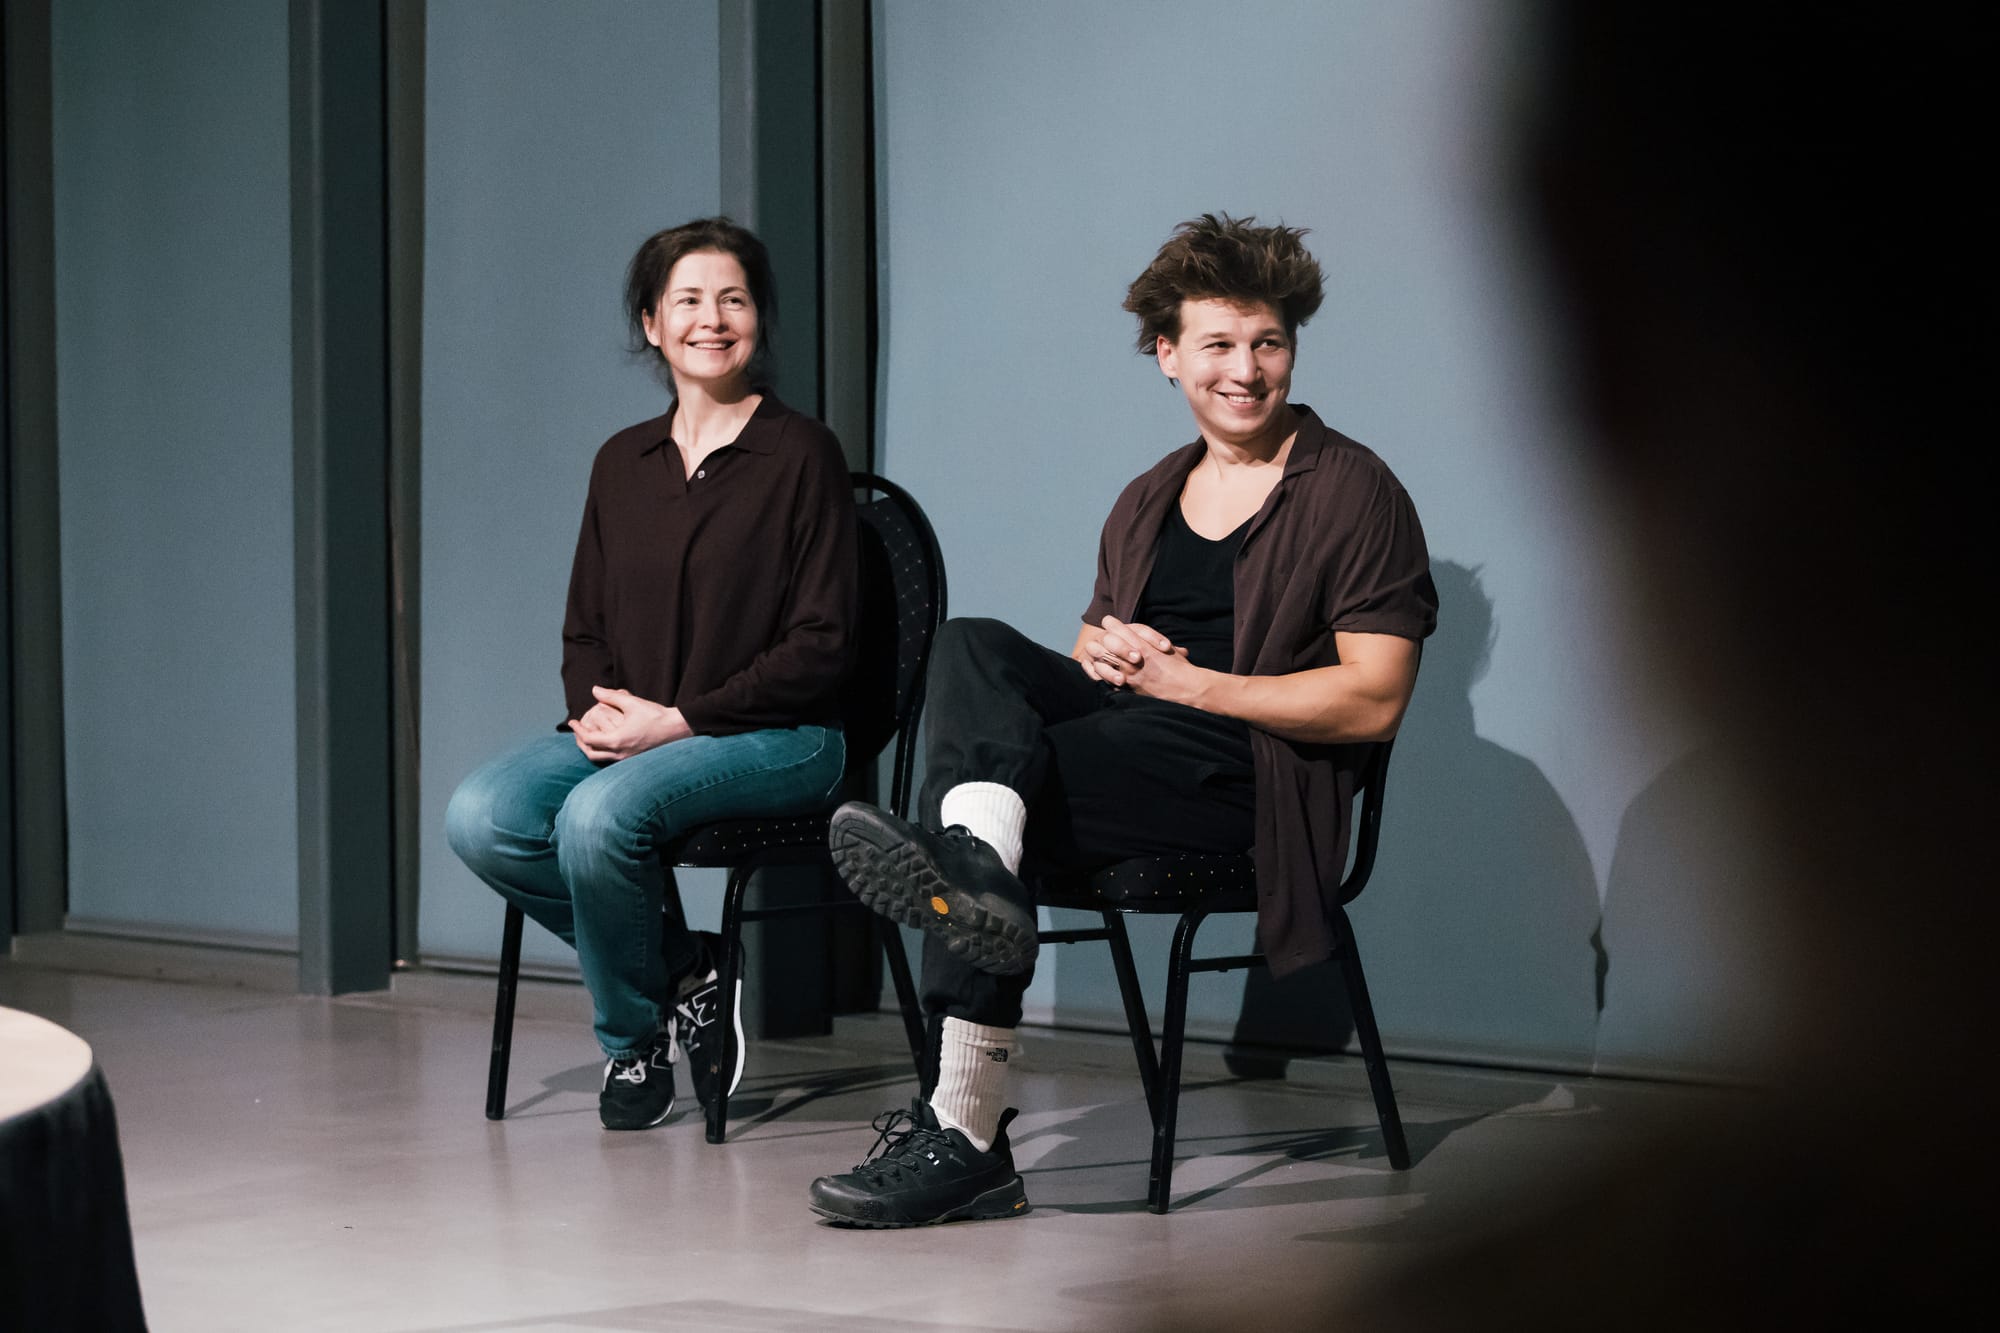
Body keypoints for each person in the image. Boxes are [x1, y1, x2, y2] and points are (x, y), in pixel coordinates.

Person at [807, 214, 1438, 1226]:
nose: (1245, 370)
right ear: (1166, 353)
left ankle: (964, 1127)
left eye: (1267, 343)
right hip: (1135, 746)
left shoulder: (1353, 492)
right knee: (971, 645)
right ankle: (977, 870)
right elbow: (1098, 664)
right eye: (1218, 344)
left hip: (1251, 776)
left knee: (993, 797)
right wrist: (1101, 652)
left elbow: (1375, 696)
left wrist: (1194, 685)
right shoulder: (1148, 496)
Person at [445, 217, 857, 1132]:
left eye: (734, 300)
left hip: (782, 735)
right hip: (642, 733)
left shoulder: (801, 453)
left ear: (759, 318)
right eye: (689, 301)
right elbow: (584, 627)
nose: (713, 319)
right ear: (651, 323)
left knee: (597, 816)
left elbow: (822, 644)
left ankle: (632, 1044)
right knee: (483, 814)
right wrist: (597, 716)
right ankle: (686, 968)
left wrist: (674, 721)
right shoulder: (621, 461)